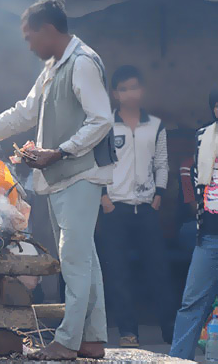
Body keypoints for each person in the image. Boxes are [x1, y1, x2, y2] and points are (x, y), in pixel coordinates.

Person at [0, 0, 115, 360]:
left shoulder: (81, 63)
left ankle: (66, 342)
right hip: (62, 177)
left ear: (48, 31)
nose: (29, 45)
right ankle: (93, 339)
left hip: (81, 174)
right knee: (86, 260)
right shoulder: (54, 66)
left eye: (29, 37)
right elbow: (25, 111)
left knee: (74, 260)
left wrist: (60, 151)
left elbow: (101, 120)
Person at [94, 65, 174, 347]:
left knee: (159, 270)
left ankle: (171, 331)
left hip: (147, 207)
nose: (130, 93)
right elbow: (99, 163)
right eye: (123, 88)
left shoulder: (156, 125)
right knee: (118, 273)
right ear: (115, 94)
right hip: (116, 208)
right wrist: (104, 198)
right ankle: (128, 332)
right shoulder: (106, 126)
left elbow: (162, 164)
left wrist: (159, 195)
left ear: (142, 90)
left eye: (134, 87)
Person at [170, 89, 218, 360]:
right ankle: (178, 359)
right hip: (210, 236)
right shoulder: (204, 137)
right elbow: (201, 180)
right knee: (192, 304)